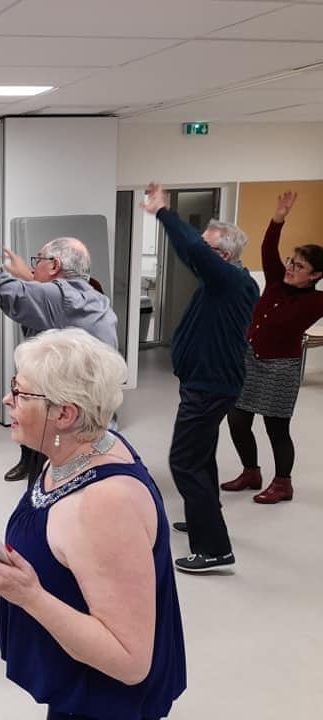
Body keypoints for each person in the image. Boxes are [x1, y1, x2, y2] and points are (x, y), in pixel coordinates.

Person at [0, 328, 186, 720]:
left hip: (103, 707)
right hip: (76, 688)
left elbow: (130, 660)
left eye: (21, 393)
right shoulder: (83, 449)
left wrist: (29, 596)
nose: (8, 399)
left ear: (65, 414)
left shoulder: (105, 504)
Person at [0, 226, 118, 486]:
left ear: (54, 265)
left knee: (51, 497)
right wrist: (28, 275)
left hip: (71, 435)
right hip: (94, 428)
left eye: (38, 260)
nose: (33, 267)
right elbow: (48, 297)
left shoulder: (61, 298)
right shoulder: (92, 298)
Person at [141, 182, 258, 573]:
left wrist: (162, 212)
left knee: (184, 462)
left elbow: (190, 248)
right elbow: (195, 250)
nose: (198, 254)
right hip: (206, 384)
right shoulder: (223, 282)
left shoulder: (229, 281)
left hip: (209, 387)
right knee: (202, 456)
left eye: (206, 249)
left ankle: (214, 548)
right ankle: (202, 516)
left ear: (222, 256)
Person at [224, 192, 323, 504]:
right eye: (292, 261)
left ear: (315, 275)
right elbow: (268, 248)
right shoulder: (277, 280)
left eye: (299, 265)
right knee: (237, 419)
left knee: (276, 428)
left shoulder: (316, 301)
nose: (290, 267)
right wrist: (278, 218)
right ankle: (251, 472)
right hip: (250, 360)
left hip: (281, 368)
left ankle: (283, 484)